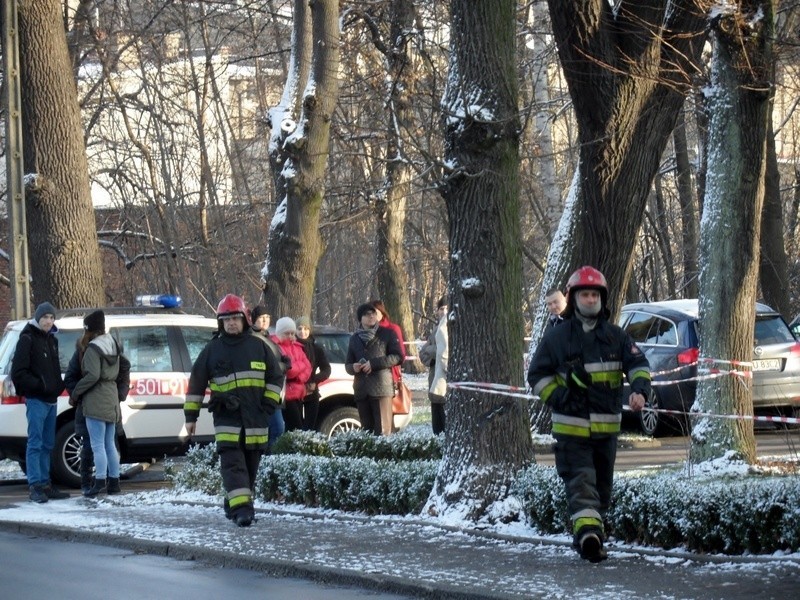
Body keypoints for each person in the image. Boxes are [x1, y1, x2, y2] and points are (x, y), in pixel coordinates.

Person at [527, 266, 651, 563]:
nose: (591, 299)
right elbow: (537, 375)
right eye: (585, 293)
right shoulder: (557, 339)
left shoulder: (616, 337)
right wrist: (560, 395)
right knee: (581, 483)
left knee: (602, 490)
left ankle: (593, 533)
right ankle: (588, 537)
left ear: (603, 298)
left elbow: (638, 364)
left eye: (595, 294)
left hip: (606, 431)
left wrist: (639, 390)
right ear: (573, 298)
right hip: (571, 431)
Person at [184, 294, 283, 527]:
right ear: (220, 322)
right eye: (226, 319)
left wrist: (268, 406)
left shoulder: (259, 346)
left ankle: (234, 502)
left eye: (235, 318)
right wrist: (191, 416)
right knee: (233, 465)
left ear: (244, 320)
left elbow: (275, 377)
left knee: (250, 468)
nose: (231, 323)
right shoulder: (212, 350)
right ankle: (243, 511)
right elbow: (196, 383)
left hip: (256, 419)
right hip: (227, 418)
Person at [11, 302, 70, 503]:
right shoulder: (27, 338)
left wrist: (58, 386)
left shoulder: (52, 340)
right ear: (38, 318)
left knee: (48, 444)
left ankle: (46, 484)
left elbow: (55, 368)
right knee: (35, 444)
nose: (48, 321)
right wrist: (40, 386)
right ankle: (35, 486)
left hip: (51, 401)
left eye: (51, 318)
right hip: (36, 400)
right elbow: (18, 373)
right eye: (45, 317)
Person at [65, 323, 131, 495]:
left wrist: (76, 393)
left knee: (96, 445)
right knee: (110, 443)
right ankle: (114, 483)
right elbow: (125, 366)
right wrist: (120, 392)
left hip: (95, 400)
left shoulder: (92, 349)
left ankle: (99, 481)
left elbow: (92, 376)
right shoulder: (113, 346)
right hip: (111, 398)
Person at [345, 303, 402, 436]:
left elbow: (398, 357)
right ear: (360, 319)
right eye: (366, 314)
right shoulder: (354, 338)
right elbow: (348, 364)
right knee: (367, 432)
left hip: (381, 388)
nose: (371, 316)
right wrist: (353, 367)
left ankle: (384, 456)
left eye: (373, 313)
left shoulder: (387, 334)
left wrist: (374, 364)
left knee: (383, 432)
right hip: (361, 390)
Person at [251, 305, 286, 451]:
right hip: (264, 391)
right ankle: (269, 461)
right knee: (276, 429)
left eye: (267, 318)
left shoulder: (267, 336)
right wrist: (282, 365)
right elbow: (264, 364)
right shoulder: (254, 339)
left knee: (276, 429)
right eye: (261, 318)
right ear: (254, 320)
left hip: (274, 389)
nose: (265, 321)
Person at [270, 317, 312, 432]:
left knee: (299, 425)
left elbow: (308, 366)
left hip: (299, 391)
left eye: (292, 333)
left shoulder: (297, 347)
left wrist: (300, 377)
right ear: (279, 333)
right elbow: (289, 371)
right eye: (287, 333)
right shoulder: (277, 347)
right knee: (295, 426)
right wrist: (299, 369)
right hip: (287, 393)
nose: (290, 336)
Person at [296, 317, 331, 431]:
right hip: (295, 393)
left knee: (310, 428)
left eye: (306, 328)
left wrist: (314, 380)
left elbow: (326, 369)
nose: (303, 332)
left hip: (312, 391)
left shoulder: (317, 349)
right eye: (299, 328)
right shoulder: (292, 347)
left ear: (310, 330)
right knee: (296, 428)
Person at [370, 300, 406, 386]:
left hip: (389, 376)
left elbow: (400, 355)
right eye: (369, 313)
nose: (372, 315)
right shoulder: (365, 331)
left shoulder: (392, 329)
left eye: (375, 312)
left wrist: (376, 363)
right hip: (370, 379)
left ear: (382, 313)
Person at [428, 298, 448, 435]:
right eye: (441, 309)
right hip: (437, 379)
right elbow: (423, 353)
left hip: (445, 382)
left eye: (447, 308)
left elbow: (444, 353)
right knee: (438, 426)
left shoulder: (445, 327)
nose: (444, 312)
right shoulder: (439, 329)